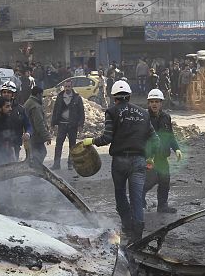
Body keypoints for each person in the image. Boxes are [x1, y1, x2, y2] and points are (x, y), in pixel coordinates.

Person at [82, 80, 158, 240]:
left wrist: (91, 141)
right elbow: (155, 140)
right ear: (129, 96)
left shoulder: (112, 112)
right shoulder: (144, 113)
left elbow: (106, 138)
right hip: (139, 161)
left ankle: (126, 226)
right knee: (136, 197)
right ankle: (137, 234)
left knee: (120, 194)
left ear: (114, 97)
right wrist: (150, 156)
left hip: (120, 162)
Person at [142, 89, 182, 213]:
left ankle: (162, 205)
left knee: (165, 180)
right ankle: (139, 198)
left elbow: (170, 135)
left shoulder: (166, 117)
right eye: (152, 101)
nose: (154, 104)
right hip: (149, 157)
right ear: (148, 103)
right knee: (149, 181)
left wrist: (176, 149)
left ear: (161, 103)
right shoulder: (144, 117)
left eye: (157, 101)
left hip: (162, 156)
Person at [51, 79, 85, 170]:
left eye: (69, 86)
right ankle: (56, 164)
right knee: (58, 144)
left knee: (72, 146)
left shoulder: (77, 98)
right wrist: (53, 123)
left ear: (72, 87)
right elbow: (55, 111)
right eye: (66, 86)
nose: (67, 88)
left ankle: (70, 163)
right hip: (62, 124)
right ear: (64, 87)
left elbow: (81, 112)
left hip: (72, 125)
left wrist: (80, 124)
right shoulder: (60, 97)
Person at [24, 86, 52, 164]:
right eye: (41, 95)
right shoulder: (35, 106)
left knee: (33, 155)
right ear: (38, 94)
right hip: (35, 136)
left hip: (29, 135)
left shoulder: (29, 102)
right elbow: (39, 124)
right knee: (41, 153)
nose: (42, 98)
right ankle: (35, 173)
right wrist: (47, 136)